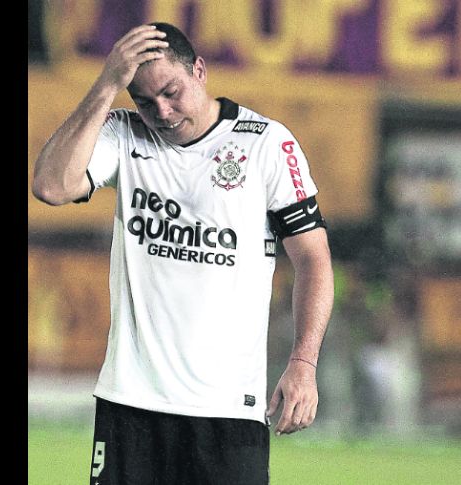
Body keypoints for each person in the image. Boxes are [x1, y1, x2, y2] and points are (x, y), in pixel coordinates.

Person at [32, 22, 334, 484]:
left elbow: (313, 258)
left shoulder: (265, 144)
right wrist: (107, 82)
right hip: (130, 404)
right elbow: (51, 186)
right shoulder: (123, 135)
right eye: (145, 101)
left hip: (227, 411)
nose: (163, 111)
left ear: (199, 70)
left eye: (172, 92)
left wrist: (303, 363)